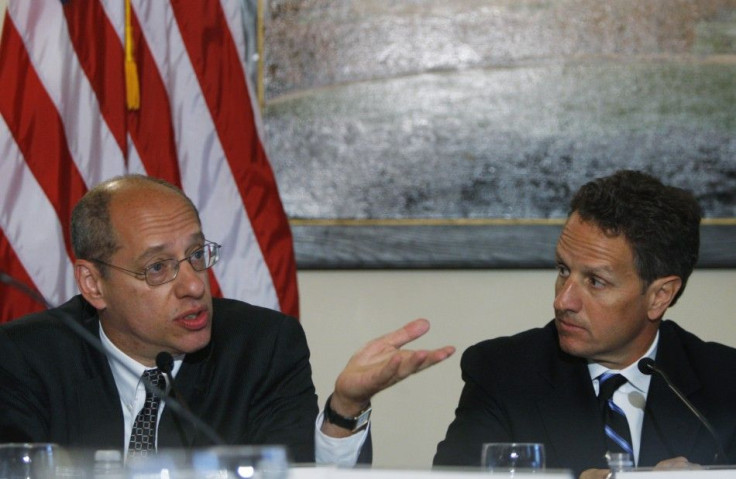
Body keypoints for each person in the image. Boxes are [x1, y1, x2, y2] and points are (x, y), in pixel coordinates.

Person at [0, 174, 455, 466]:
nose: (194, 285)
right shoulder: (25, 358)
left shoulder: (263, 346)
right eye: (157, 268)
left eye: (197, 255)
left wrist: (344, 410)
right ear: (93, 284)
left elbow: (297, 476)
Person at [433, 170, 736, 478]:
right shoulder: (502, 374)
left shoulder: (726, 382)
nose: (563, 301)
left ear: (660, 295)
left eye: (595, 281)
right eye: (563, 270)